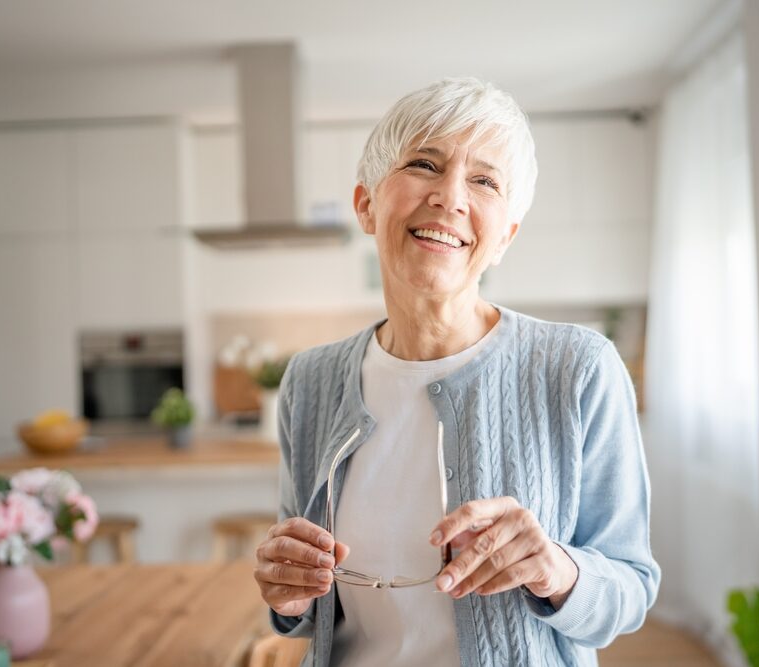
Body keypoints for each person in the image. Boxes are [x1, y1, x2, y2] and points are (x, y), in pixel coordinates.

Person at [252, 77, 660, 667]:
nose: (450, 197)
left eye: (484, 180)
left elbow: (630, 589)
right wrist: (287, 594)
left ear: (504, 238)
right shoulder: (310, 381)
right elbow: (307, 608)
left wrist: (555, 569)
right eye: (424, 163)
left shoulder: (579, 369)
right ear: (366, 203)